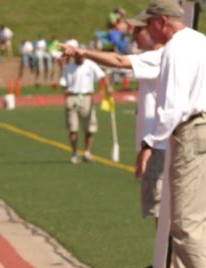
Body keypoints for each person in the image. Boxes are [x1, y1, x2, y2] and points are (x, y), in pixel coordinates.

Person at [134, 0, 206, 268]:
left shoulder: (175, 49)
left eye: (149, 24)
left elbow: (172, 106)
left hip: (193, 130)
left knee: (187, 220)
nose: (146, 30)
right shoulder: (200, 40)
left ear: (161, 22)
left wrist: (150, 142)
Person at [62, 17, 166, 221]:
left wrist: (83, 52)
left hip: (158, 144)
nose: (133, 35)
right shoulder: (154, 55)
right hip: (155, 142)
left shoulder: (159, 56)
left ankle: (167, 255)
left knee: (161, 215)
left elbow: (119, 60)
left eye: (138, 30)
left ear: (154, 29)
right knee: (160, 215)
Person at [59, 42, 109, 164]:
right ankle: (74, 153)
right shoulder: (68, 68)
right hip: (72, 97)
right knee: (73, 128)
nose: (80, 57)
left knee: (89, 127)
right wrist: (66, 96)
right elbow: (63, 84)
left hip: (87, 97)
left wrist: (109, 88)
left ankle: (87, 152)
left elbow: (103, 76)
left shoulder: (91, 65)